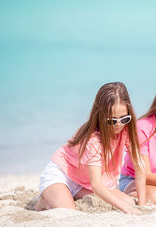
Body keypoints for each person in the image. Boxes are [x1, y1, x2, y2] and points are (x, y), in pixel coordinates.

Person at [35, 82, 146, 214]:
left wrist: (142, 203)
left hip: (84, 180)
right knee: (68, 212)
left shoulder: (126, 129)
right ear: (100, 116)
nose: (118, 125)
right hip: (63, 174)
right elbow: (97, 185)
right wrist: (126, 209)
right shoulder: (94, 140)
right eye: (111, 120)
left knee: (129, 201)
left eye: (124, 118)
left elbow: (139, 166)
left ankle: (70, 195)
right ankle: (44, 201)